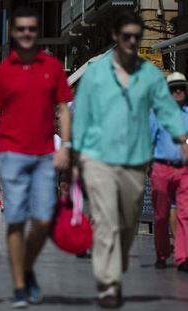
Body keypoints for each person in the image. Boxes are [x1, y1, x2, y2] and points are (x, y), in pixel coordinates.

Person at [73, 11, 188, 308]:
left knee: (125, 224)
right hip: (99, 158)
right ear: (115, 36)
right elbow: (82, 114)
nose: (133, 41)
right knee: (106, 222)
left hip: (135, 162)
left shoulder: (148, 75)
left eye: (137, 36)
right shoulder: (97, 73)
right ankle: (108, 283)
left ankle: (118, 259)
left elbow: (166, 110)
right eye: (127, 36)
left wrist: (181, 138)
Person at [0, 7, 72, 308]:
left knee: (42, 219)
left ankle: (25, 266)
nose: (26, 34)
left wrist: (65, 145)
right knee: (15, 219)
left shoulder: (52, 66)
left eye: (31, 29)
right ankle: (20, 284)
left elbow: (63, 108)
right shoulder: (2, 71)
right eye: (21, 29)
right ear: (13, 33)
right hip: (11, 153)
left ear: (37, 32)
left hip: (43, 155)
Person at [150, 72, 188, 272]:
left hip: (184, 171)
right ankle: (162, 253)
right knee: (161, 215)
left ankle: (183, 258)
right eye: (174, 88)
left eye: (181, 87)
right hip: (161, 168)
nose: (178, 91)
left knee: (185, 214)